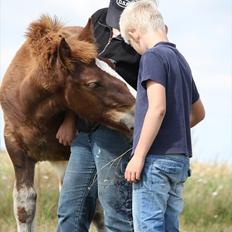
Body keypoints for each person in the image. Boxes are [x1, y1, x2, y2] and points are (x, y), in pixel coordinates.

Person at [119, 1, 205, 231]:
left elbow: (157, 108)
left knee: (149, 227)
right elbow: (199, 113)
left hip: (155, 162)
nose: (134, 49)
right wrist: (172, 131)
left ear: (134, 33)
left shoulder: (152, 57)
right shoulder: (180, 60)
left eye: (130, 44)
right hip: (179, 161)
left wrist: (138, 155)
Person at [56, 0, 141, 231]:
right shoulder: (100, 20)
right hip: (84, 133)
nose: (116, 24)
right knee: (70, 211)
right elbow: (79, 75)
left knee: (117, 213)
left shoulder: (143, 36)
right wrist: (69, 119)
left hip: (116, 134)